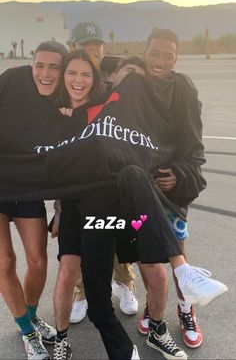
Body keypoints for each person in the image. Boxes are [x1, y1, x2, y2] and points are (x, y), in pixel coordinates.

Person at [49, 49, 227, 360]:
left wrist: (177, 172)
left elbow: (177, 143)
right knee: (93, 298)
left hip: (122, 211)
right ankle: (111, 348)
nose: (79, 80)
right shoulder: (65, 113)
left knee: (134, 175)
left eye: (85, 74)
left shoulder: (123, 113)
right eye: (73, 73)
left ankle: (180, 277)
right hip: (90, 217)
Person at [55, 25, 139, 324]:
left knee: (114, 231)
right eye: (86, 44)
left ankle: (124, 281)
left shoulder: (115, 76)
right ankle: (80, 292)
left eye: (97, 44)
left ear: (104, 48)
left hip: (108, 176)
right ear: (75, 46)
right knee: (75, 240)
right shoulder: (69, 77)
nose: (93, 49)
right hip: (75, 177)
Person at [136, 28, 210, 353]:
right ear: (144, 53)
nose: (161, 61)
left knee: (177, 249)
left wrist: (179, 176)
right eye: (155, 53)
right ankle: (153, 309)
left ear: (175, 59)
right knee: (147, 254)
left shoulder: (182, 88)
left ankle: (186, 310)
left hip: (170, 184)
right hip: (140, 184)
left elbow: (193, 142)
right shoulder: (133, 83)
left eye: (168, 55)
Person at [0, 41, 68, 360]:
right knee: (4, 263)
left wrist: (63, 205)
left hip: (26, 189)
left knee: (38, 262)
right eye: (39, 65)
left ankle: (30, 315)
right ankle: (28, 333)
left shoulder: (66, 100)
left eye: (53, 67)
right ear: (32, 65)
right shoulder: (13, 79)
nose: (44, 73)